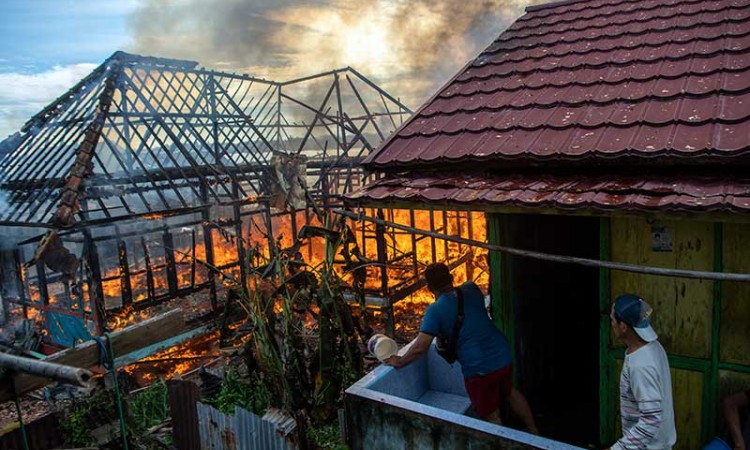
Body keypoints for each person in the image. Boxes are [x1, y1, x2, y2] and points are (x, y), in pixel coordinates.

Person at [384, 263, 538, 433]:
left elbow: (420, 347)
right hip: (502, 354)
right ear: (451, 278)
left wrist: (400, 361)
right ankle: (534, 431)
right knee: (509, 392)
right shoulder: (471, 289)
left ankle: (500, 443)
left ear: (429, 287)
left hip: (479, 368)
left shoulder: (435, 311)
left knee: (491, 415)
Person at [608, 294, 676, 450]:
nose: (611, 324)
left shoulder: (640, 365)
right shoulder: (654, 346)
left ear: (623, 327)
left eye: (612, 320)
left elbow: (651, 419)